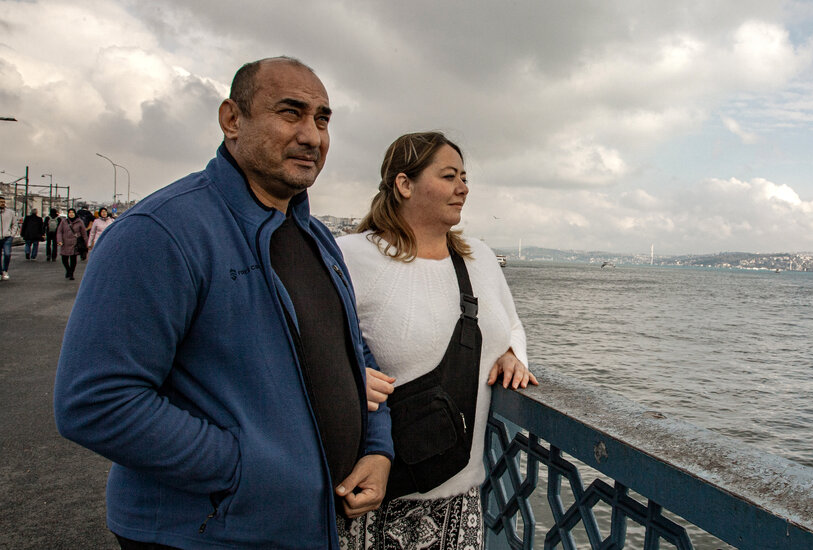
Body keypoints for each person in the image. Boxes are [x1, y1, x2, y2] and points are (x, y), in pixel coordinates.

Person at [54, 56, 393, 550]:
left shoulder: (317, 238)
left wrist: (377, 449)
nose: (312, 136)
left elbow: (352, 354)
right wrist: (245, 468)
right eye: (291, 113)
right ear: (232, 119)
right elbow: (97, 401)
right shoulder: (162, 231)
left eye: (322, 119)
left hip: (304, 525)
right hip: (204, 533)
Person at [337, 131, 536, 549]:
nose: (463, 188)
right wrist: (344, 377)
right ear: (404, 184)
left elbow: (512, 324)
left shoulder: (479, 257)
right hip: (370, 497)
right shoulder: (350, 256)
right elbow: (302, 342)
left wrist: (511, 353)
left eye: (464, 177)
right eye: (449, 176)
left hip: (460, 498)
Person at [56, 208, 86, 280]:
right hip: (65, 242)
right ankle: (68, 270)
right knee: (64, 258)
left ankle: (71, 273)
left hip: (75, 243)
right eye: (70, 212)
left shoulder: (79, 222)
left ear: (75, 214)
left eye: (72, 212)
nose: (71, 214)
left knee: (73, 259)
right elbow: (59, 231)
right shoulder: (64, 221)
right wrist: (59, 240)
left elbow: (84, 233)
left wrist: (86, 243)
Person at [0, 196, 16, 280]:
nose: (2, 203)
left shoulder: (10, 212)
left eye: (3, 202)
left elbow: (14, 224)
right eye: (0, 202)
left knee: (7, 254)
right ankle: (0, 273)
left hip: (7, 237)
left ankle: (5, 270)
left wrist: (12, 234)